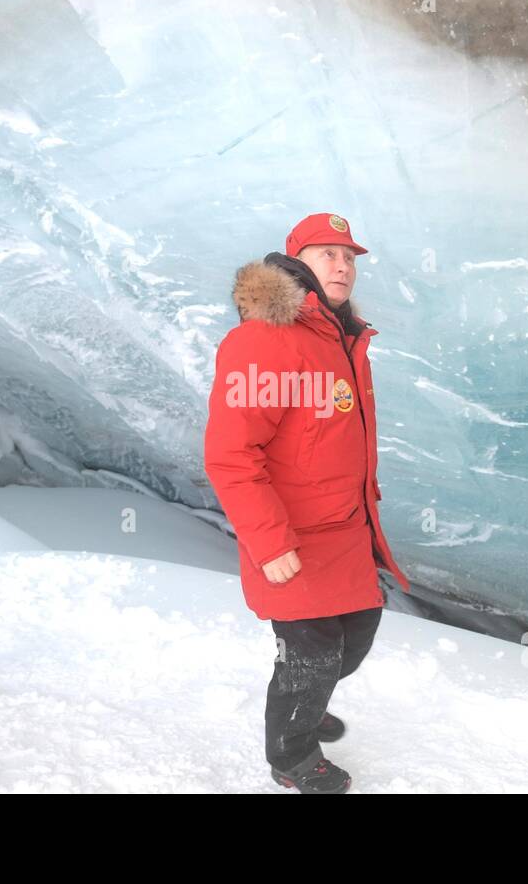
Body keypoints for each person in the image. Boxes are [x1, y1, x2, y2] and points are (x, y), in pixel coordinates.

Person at [204, 213, 410, 794]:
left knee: (357, 634)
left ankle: (307, 696)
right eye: (328, 254)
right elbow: (231, 455)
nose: (343, 265)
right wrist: (269, 543)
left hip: (343, 531)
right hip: (289, 536)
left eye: (349, 257)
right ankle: (291, 755)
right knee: (313, 650)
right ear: (297, 264)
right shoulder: (264, 339)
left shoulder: (343, 337)